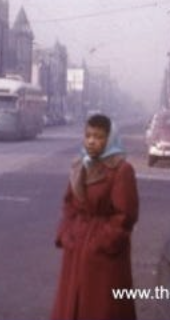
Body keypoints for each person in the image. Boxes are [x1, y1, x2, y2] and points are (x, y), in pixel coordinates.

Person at [51, 113, 139, 320]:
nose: (91, 141)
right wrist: (67, 233)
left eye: (98, 136)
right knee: (72, 305)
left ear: (109, 139)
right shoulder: (79, 165)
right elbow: (69, 204)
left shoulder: (121, 170)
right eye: (88, 135)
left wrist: (99, 243)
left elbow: (125, 216)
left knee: (101, 309)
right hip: (76, 250)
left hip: (104, 259)